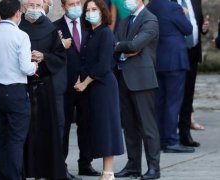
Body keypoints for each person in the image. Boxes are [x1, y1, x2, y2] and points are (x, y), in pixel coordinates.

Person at [0, 0, 38, 179]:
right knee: (15, 140)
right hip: (16, 92)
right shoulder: (21, 36)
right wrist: (35, 65)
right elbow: (26, 68)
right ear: (18, 13)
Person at [75, 0, 125, 179]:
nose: (90, 12)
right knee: (94, 128)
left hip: (103, 86)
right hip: (91, 87)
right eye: (87, 10)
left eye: (94, 9)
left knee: (107, 128)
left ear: (102, 11)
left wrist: (84, 83)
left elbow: (103, 65)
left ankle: (108, 171)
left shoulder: (105, 33)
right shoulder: (89, 33)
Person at [18, 0, 68, 179]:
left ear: (44, 7)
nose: (34, 9)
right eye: (30, 5)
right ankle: (25, 170)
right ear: (23, 7)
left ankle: (45, 171)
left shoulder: (50, 29)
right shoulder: (18, 28)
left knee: (46, 131)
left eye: (38, 5)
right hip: (22, 86)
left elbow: (60, 56)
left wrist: (44, 57)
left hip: (45, 88)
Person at [114, 0, 160, 179]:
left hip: (142, 80)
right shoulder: (125, 21)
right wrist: (123, 47)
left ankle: (154, 167)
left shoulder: (150, 19)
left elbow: (136, 45)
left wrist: (121, 46)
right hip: (124, 77)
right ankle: (133, 166)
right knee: (130, 127)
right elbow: (117, 43)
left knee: (148, 127)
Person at [54, 0, 100, 177]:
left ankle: (85, 163)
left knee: (87, 125)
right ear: (64, 6)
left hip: (86, 83)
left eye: (78, 2)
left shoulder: (89, 24)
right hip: (65, 85)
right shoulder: (55, 27)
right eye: (71, 3)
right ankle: (61, 165)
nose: (75, 6)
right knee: (63, 127)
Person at [147, 0, 195, 153]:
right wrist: (184, 15)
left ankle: (160, 140)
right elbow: (187, 29)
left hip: (157, 60)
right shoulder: (174, 7)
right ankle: (172, 141)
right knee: (173, 102)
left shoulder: (151, 6)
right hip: (174, 60)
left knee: (159, 102)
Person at [173, 0, 209, 147]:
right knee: (173, 95)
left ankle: (185, 133)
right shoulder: (170, 2)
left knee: (188, 96)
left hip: (192, 53)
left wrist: (204, 28)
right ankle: (168, 133)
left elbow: (197, 23)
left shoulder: (195, 1)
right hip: (175, 54)